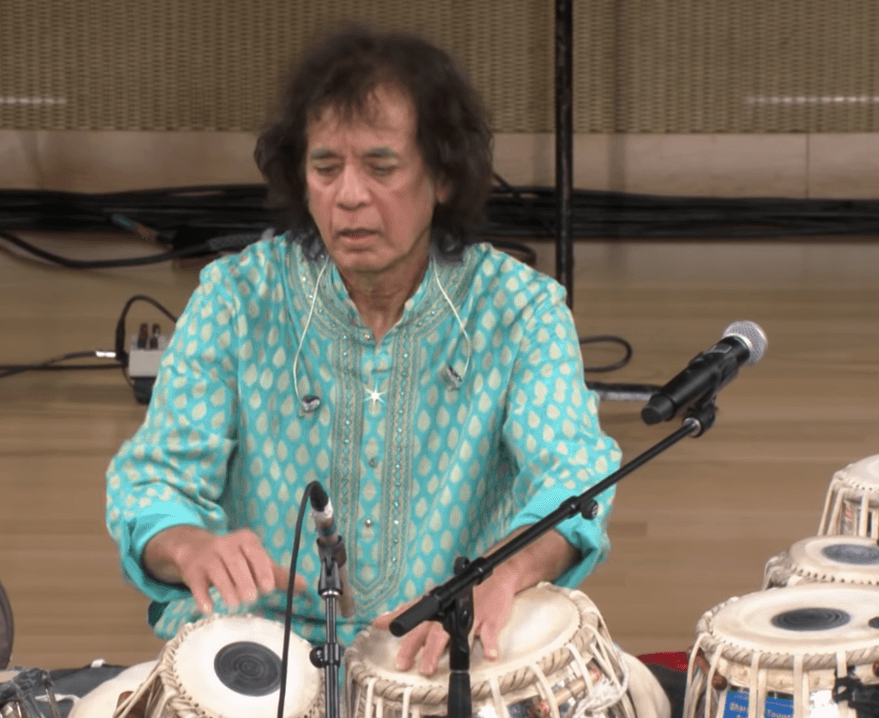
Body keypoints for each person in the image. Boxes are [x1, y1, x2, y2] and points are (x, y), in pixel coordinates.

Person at [104, 23, 622, 677]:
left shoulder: (520, 310)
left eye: (381, 168)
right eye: (325, 169)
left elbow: (574, 485)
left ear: (442, 176)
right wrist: (189, 546)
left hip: (441, 654)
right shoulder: (237, 298)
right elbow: (154, 483)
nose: (348, 195)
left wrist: (504, 573)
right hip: (264, 658)